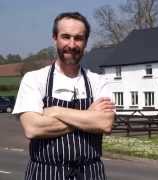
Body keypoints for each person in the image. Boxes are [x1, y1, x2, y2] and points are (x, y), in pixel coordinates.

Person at [12, 12, 115, 180]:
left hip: (90, 173)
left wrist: (56, 111)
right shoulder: (34, 79)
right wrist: (88, 115)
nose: (72, 44)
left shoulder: (98, 81)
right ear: (55, 38)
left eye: (78, 38)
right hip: (45, 173)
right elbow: (33, 128)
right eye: (66, 37)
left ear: (86, 42)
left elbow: (105, 123)